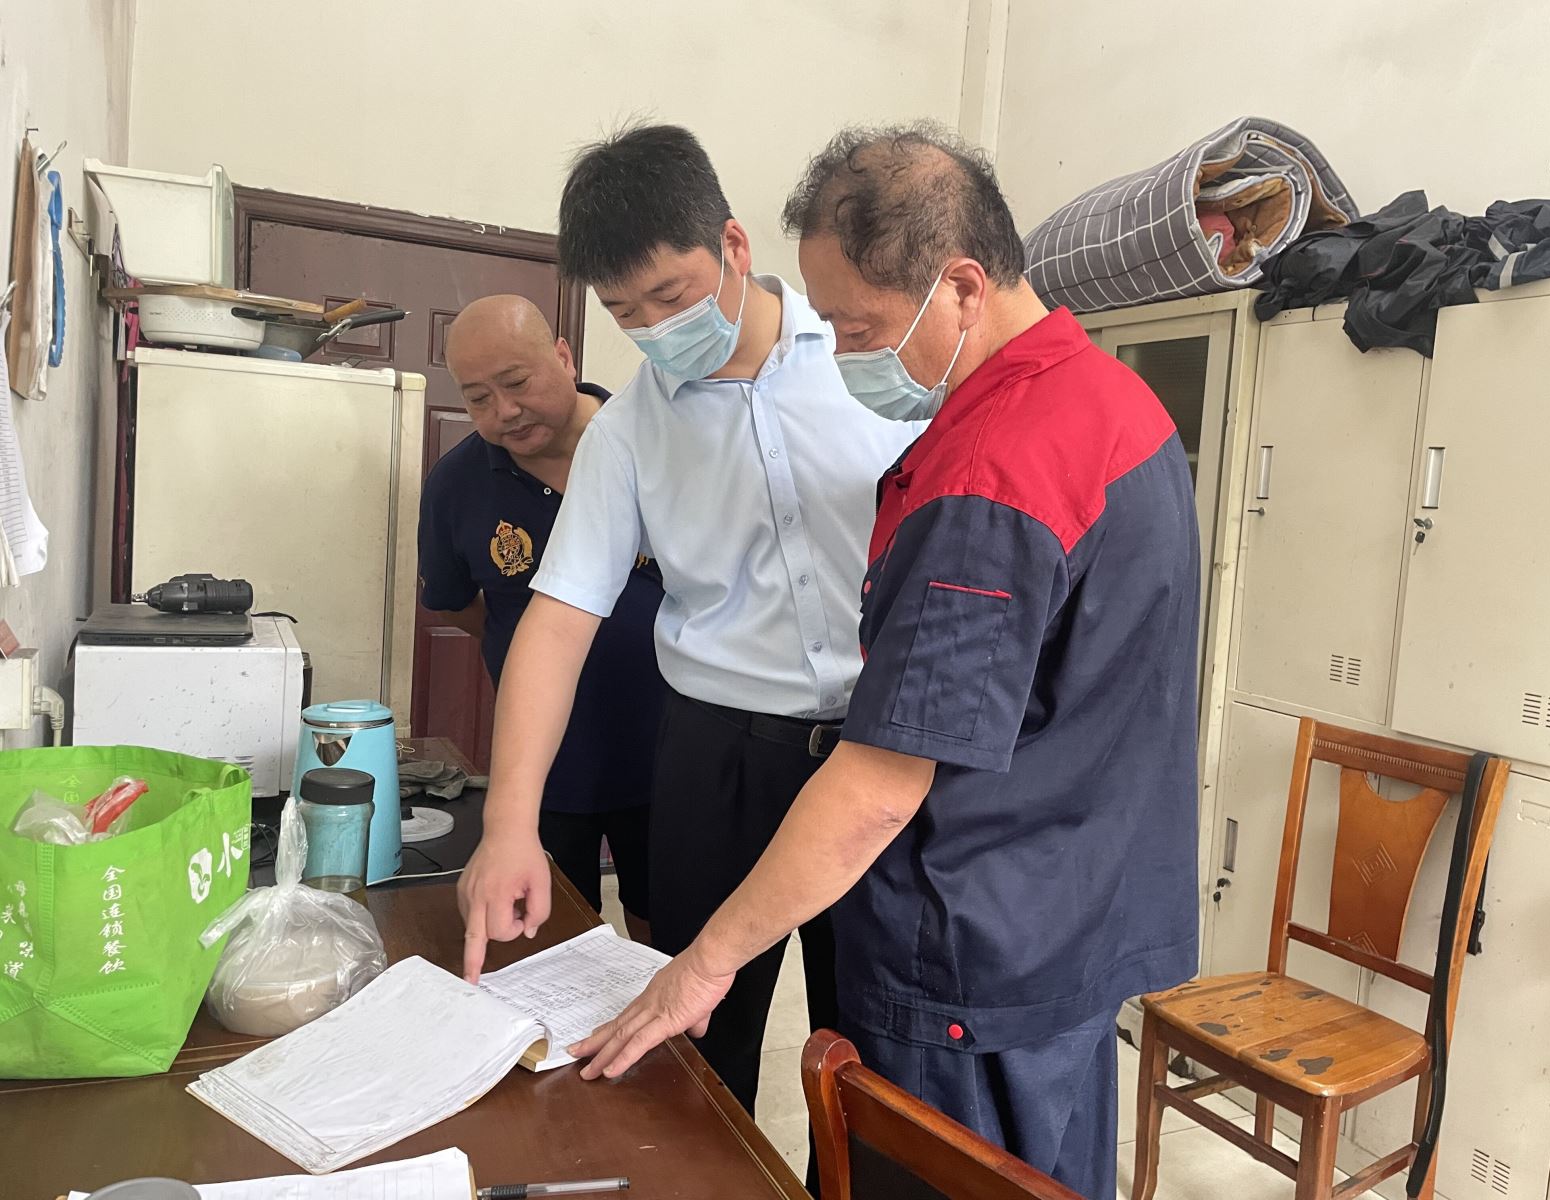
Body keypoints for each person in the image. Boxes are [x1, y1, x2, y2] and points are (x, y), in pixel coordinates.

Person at [570, 124, 1201, 1200]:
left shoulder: (991, 477)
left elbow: (877, 786)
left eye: (858, 328)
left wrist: (703, 964)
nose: (844, 353)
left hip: (971, 955)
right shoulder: (1111, 400)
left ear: (961, 286)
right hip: (1070, 918)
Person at [455, 124, 919, 1116]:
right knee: (697, 1048)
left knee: (878, 1051)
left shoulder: (870, 360)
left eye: (672, 296)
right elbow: (556, 623)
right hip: (720, 759)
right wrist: (508, 825)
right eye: (627, 313)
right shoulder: (628, 432)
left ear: (734, 246)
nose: (657, 330)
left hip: (884, 751)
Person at [420, 295, 664, 940]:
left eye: (517, 383)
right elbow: (455, 602)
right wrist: (520, 644)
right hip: (548, 767)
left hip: (670, 749)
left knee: (664, 927)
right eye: (478, 398)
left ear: (563, 356)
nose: (504, 411)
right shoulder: (456, 485)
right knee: (554, 933)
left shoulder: (653, 441)